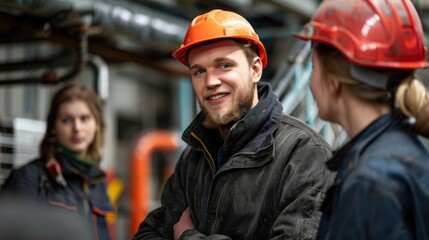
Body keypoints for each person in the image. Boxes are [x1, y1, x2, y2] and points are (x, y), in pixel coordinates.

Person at [133, 9, 335, 240]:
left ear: (255, 69)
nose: (211, 82)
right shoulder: (196, 155)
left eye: (224, 66)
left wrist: (188, 237)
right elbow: (149, 234)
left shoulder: (305, 155)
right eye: (199, 71)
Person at [295, 0, 429, 239]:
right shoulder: (399, 152)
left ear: (334, 81)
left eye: (314, 67)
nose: (311, 82)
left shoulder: (371, 180)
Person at [1, 83, 114, 240]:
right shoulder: (29, 177)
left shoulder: (97, 180)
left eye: (84, 118)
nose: (77, 128)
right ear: (53, 126)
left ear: (97, 125)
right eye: (66, 120)